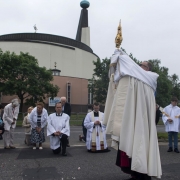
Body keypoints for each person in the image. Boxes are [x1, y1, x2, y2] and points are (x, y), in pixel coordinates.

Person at [103, 43, 162, 178]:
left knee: (141, 146)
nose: (140, 66)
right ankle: (134, 174)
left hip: (143, 119)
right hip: (132, 119)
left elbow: (131, 68)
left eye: (143, 65)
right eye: (139, 64)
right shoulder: (135, 79)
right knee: (131, 146)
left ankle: (142, 175)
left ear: (148, 69)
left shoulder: (149, 79)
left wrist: (123, 57)